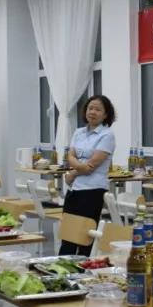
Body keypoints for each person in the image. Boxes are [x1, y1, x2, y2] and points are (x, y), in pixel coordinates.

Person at [61, 95, 117, 256]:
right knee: (68, 235)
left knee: (85, 237)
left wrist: (73, 172)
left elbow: (92, 166)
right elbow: (70, 156)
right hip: (75, 190)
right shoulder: (78, 132)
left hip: (93, 190)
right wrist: (79, 167)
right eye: (90, 108)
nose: (92, 112)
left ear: (106, 115)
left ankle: (82, 268)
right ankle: (61, 266)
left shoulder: (107, 135)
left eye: (98, 109)